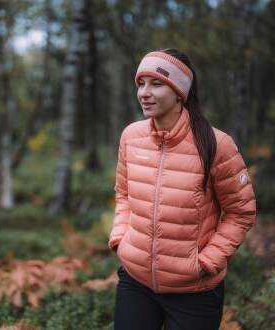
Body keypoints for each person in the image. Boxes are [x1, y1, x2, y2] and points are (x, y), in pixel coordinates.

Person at [108, 48, 257, 330]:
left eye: (156, 83)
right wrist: (120, 238)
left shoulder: (216, 144)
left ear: (179, 91)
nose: (144, 93)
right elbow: (123, 194)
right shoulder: (131, 137)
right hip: (136, 282)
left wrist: (206, 261)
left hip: (194, 292)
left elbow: (241, 213)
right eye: (141, 83)